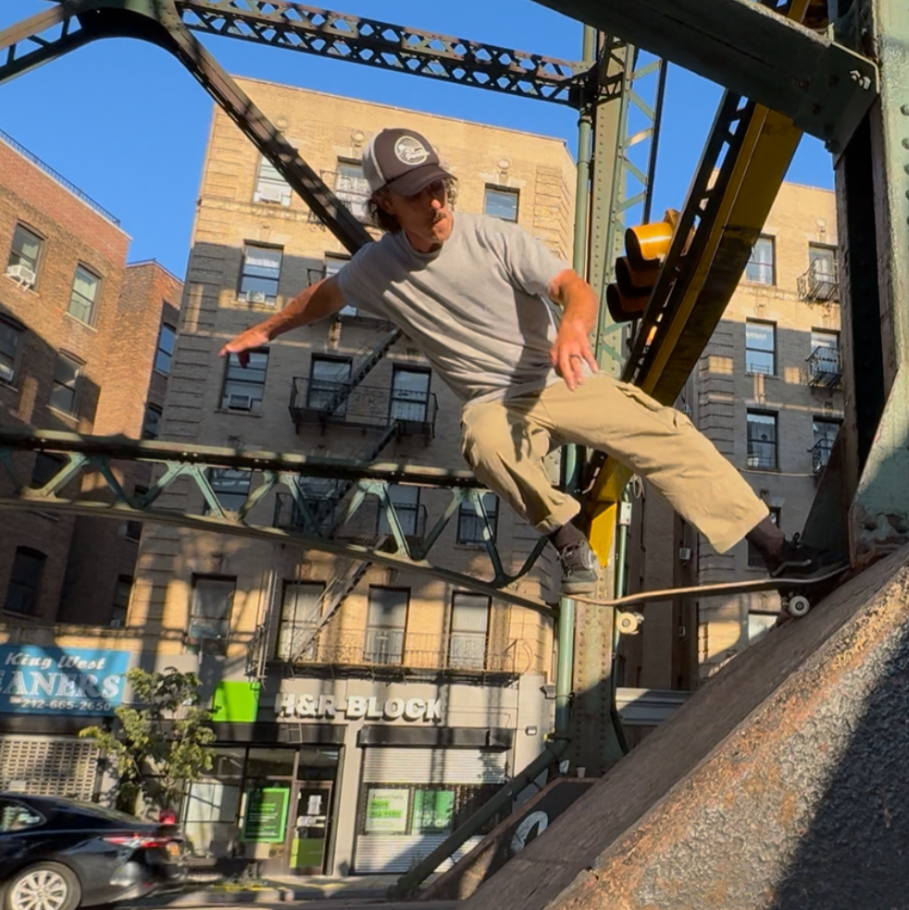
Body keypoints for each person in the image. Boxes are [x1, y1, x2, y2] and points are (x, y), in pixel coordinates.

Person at [220, 127, 827, 594]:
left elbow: (572, 286)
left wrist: (573, 328)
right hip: (496, 403)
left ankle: (778, 552)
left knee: (664, 430)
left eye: (438, 187)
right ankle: (568, 539)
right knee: (482, 440)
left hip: (558, 379)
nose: (435, 204)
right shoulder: (376, 268)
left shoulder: (493, 237)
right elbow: (319, 298)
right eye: (416, 195)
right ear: (385, 203)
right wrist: (260, 331)